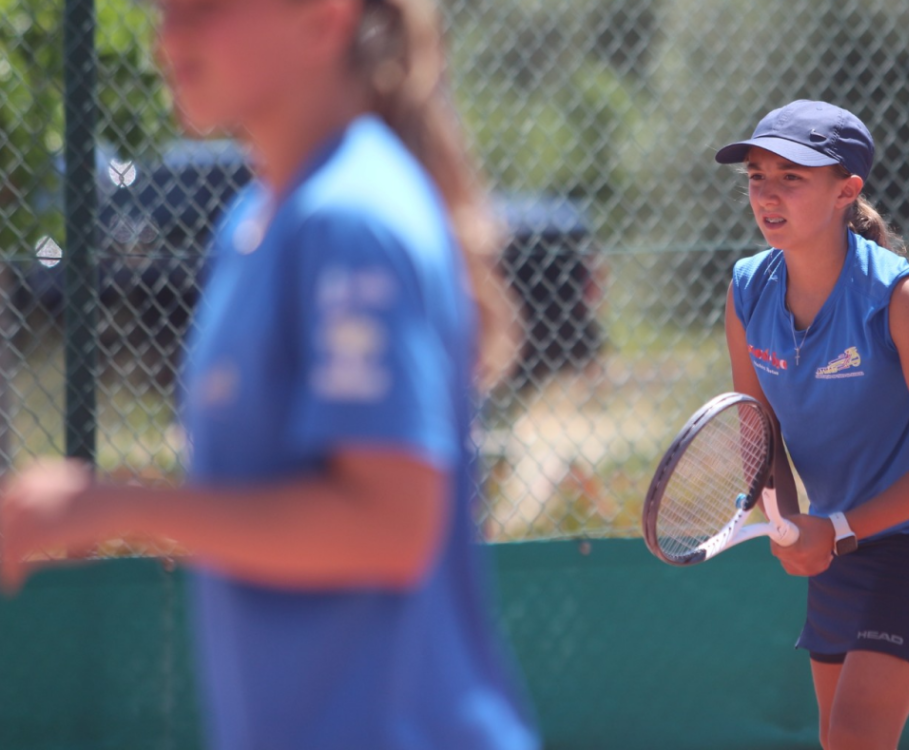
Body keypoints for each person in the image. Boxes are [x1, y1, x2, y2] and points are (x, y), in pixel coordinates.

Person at [0, 1, 537, 749]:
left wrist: (113, 506)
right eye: (165, 8)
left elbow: (388, 528)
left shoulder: (352, 221)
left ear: (322, 21)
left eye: (201, 7)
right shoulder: (251, 225)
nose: (168, 36)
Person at [716, 100, 909, 750]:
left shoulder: (899, 297)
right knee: (838, 741)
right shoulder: (746, 290)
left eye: (792, 177)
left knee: (858, 735)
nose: (767, 194)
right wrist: (788, 524)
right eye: (757, 176)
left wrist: (833, 529)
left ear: (846, 191)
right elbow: (759, 431)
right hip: (836, 538)